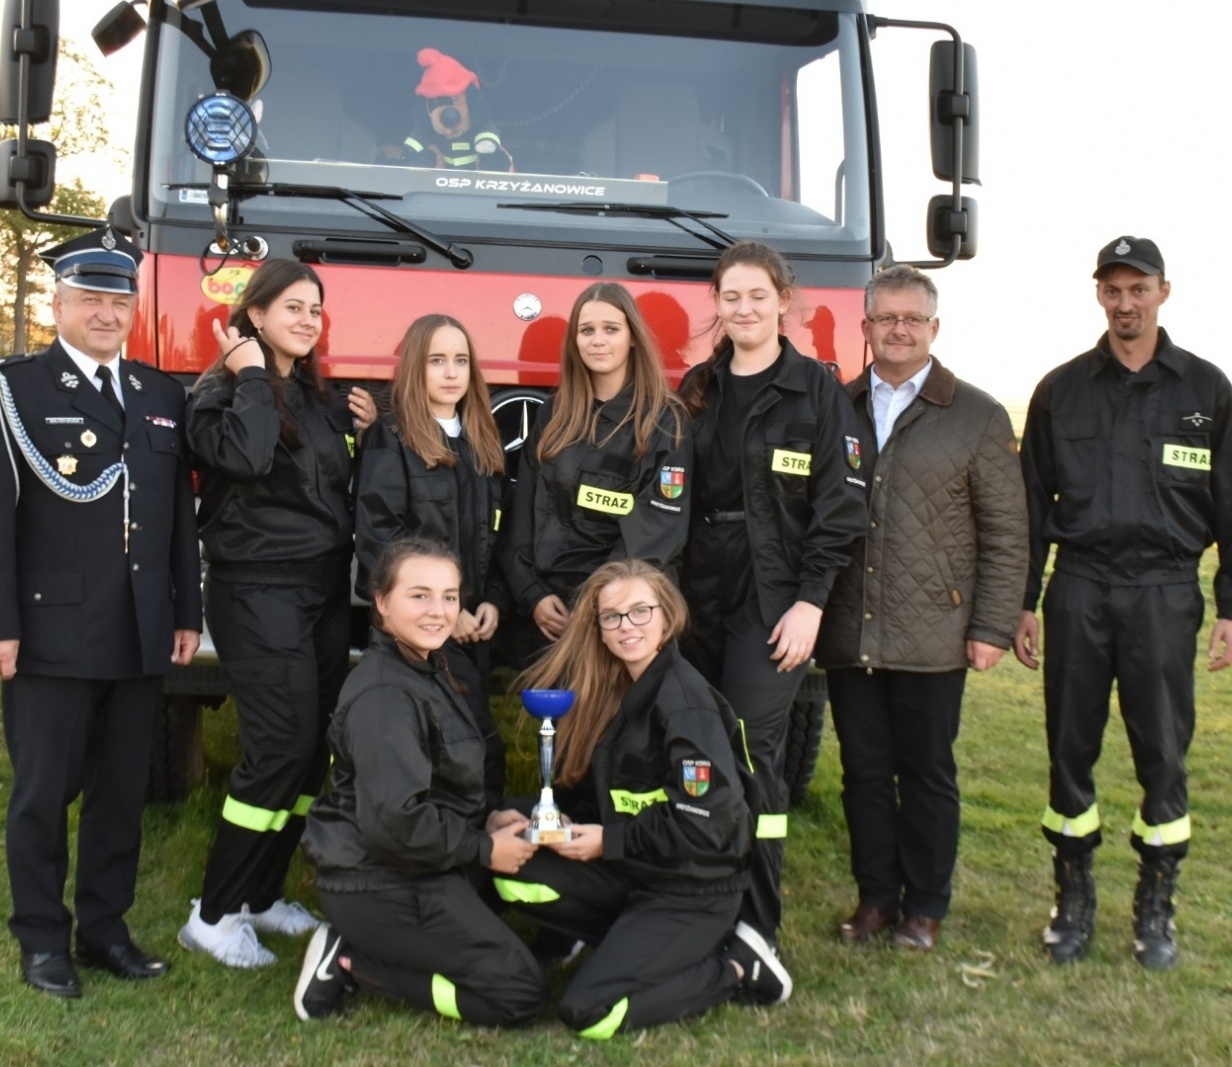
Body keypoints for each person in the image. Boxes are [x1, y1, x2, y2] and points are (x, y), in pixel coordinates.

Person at [0, 228, 202, 998]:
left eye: (118, 298)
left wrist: (184, 611)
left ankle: (104, 928)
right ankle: (41, 939)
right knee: (42, 794)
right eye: (89, 297)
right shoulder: (11, 388)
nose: (106, 311)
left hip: (137, 628)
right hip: (49, 632)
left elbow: (175, 520)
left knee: (120, 794)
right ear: (57, 303)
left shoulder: (159, 395)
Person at [1014, 236, 1232, 970]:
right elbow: (1030, 504)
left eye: (1138, 288)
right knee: (1070, 749)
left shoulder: (1204, 391)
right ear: (1099, 296)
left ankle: (1157, 907)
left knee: (1162, 749)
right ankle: (1073, 899)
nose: (1126, 302)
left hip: (1163, 590)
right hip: (1079, 586)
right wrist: (1024, 600)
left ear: (1163, 292)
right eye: (1113, 289)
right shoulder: (1061, 390)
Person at [817, 266, 1027, 950]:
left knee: (929, 773)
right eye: (887, 318)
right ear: (867, 326)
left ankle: (925, 906)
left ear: (934, 329)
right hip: (851, 629)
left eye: (913, 318)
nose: (899, 329)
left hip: (936, 632)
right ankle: (876, 898)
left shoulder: (976, 415)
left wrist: (992, 624)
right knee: (864, 772)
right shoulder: (837, 408)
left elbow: (1006, 532)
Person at [496, 560, 790, 1040]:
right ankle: (624, 944)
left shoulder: (684, 704)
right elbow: (611, 801)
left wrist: (608, 842)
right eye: (612, 617)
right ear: (600, 631)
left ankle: (738, 969)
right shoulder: (616, 688)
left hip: (693, 889)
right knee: (514, 869)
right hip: (637, 869)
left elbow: (707, 825)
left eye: (640, 612)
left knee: (589, 1012)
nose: (626, 626)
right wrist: (536, 813)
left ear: (666, 616)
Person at [178, 258, 377, 968]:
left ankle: (260, 897)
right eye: (291, 306)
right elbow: (250, 456)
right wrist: (252, 373)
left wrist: (372, 428)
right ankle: (212, 913)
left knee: (312, 749)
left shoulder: (323, 401)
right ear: (254, 314)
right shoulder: (215, 396)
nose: (306, 319)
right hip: (256, 592)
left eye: (315, 309)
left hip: (324, 590)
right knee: (276, 749)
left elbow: (344, 487)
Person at [676, 241, 868, 950]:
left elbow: (841, 505)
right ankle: (697, 900)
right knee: (692, 740)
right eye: (731, 296)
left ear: (783, 299)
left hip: (775, 593)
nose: (745, 308)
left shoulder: (817, 389)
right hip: (698, 591)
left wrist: (811, 600)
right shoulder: (698, 387)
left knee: (752, 748)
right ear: (717, 304)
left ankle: (755, 917)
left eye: (758, 295)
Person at [291, 539, 548, 1025]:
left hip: (423, 858)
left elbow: (440, 782)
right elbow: (397, 823)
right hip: (381, 879)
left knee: (529, 823)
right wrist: (484, 849)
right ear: (382, 602)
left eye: (450, 597)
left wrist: (488, 818)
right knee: (520, 993)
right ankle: (351, 961)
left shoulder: (428, 664)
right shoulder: (385, 694)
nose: (439, 611)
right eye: (420, 596)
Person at [355, 313, 509, 803]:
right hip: (419, 635)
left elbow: (497, 538)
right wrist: (446, 611)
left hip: (471, 630)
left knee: (469, 746)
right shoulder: (393, 439)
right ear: (415, 369)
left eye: (461, 360)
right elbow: (383, 540)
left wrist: (493, 602)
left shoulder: (482, 443)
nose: (450, 372)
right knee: (455, 751)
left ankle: (479, 850)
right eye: (437, 360)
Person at [503, 282, 691, 646]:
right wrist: (532, 595)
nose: (597, 341)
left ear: (633, 337)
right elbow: (522, 517)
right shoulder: (553, 416)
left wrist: (599, 605)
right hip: (547, 612)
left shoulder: (664, 422)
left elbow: (656, 532)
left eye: (611, 329)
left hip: (621, 617)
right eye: (586, 331)